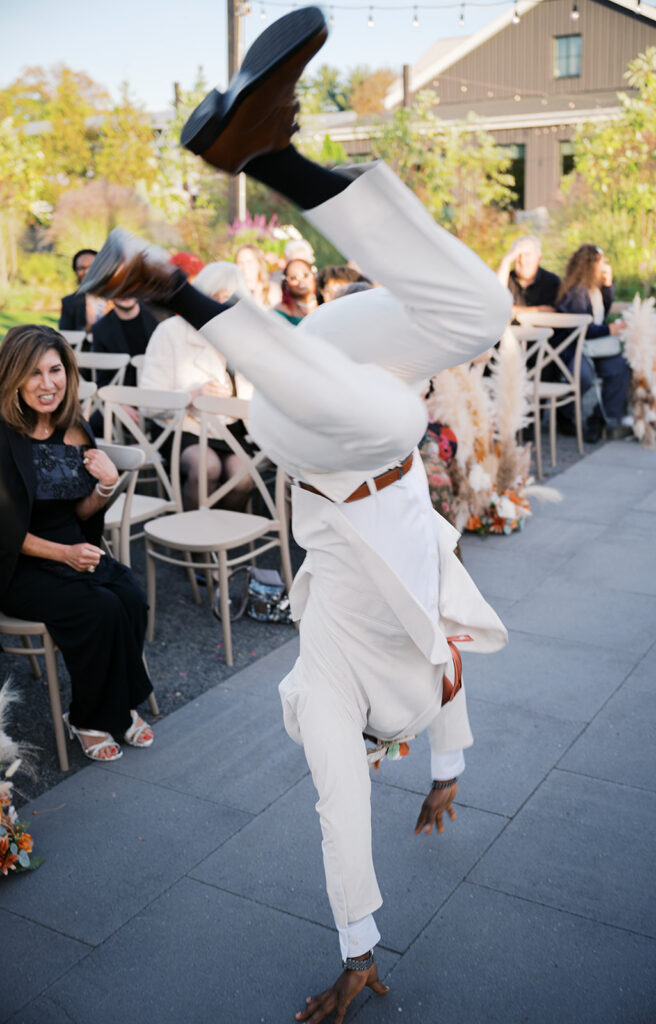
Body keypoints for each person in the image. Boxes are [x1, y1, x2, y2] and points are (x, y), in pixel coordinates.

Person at [78, 7, 510, 1019]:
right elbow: (445, 676)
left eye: (399, 741)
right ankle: (270, 151)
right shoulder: (435, 655)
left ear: (375, 733)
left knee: (385, 414)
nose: (431, 692)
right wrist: (446, 772)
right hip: (331, 364)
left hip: (317, 430)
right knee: (474, 315)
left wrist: (356, 949)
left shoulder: (328, 696)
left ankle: (174, 290)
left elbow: (337, 810)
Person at [0, 325, 155, 763]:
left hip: (74, 550)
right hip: (19, 564)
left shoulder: (74, 429)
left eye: (55, 370)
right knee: (99, 609)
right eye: (33, 374)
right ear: (12, 376)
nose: (47, 384)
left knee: (129, 597)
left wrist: (106, 485)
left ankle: (119, 706)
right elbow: (5, 533)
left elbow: (81, 514)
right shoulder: (3, 438)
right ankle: (87, 717)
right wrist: (63, 554)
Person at [140, 261, 254, 510]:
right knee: (206, 467)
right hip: (184, 427)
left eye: (229, 299)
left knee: (243, 476)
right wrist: (194, 394)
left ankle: (224, 534)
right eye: (214, 297)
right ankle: (195, 543)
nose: (220, 305)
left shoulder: (244, 337)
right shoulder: (171, 332)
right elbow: (148, 401)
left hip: (230, 428)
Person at [555, 244, 631, 440]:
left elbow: (601, 314)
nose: (605, 265)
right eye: (602, 262)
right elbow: (581, 327)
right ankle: (565, 414)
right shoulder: (575, 292)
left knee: (620, 369)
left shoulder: (594, 289)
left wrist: (607, 286)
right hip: (575, 349)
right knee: (582, 376)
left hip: (596, 347)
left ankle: (600, 418)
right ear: (591, 265)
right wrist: (610, 329)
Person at [497, 235, 560, 321]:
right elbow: (495, 304)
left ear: (539, 257)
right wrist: (506, 260)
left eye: (527, 255)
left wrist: (511, 310)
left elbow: (551, 311)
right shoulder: (505, 278)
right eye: (517, 255)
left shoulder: (552, 281)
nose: (522, 261)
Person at [59, 248, 107, 334]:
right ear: (76, 272)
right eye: (81, 268)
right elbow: (65, 340)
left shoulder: (119, 298)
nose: (87, 272)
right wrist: (88, 329)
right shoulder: (69, 302)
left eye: (92, 267)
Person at [235, 243, 281, 307]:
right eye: (240, 262)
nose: (245, 267)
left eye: (249, 262)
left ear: (259, 264)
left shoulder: (271, 290)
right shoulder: (232, 292)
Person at [275, 258, 319, 324]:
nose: (301, 281)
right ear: (286, 283)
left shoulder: (327, 301)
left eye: (305, 275)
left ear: (314, 275)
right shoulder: (281, 313)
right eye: (293, 278)